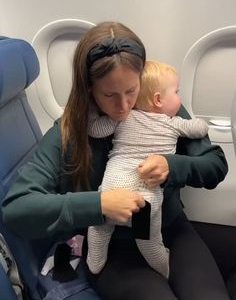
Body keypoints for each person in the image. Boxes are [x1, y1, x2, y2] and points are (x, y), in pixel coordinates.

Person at [1, 21, 229, 300]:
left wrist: (173, 166)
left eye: (131, 90)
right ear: (89, 89)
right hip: (112, 249)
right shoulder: (70, 131)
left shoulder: (159, 107)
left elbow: (216, 165)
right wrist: (100, 205)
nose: (124, 106)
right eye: (109, 95)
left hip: (170, 230)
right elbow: (16, 208)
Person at [86, 60, 209, 277]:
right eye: (177, 92)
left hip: (111, 194)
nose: (179, 99)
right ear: (159, 100)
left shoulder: (123, 117)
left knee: (99, 228)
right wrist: (202, 121)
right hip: (144, 201)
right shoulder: (173, 123)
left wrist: (91, 113)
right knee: (148, 241)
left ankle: (95, 262)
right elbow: (198, 129)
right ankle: (163, 267)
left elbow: (96, 129)